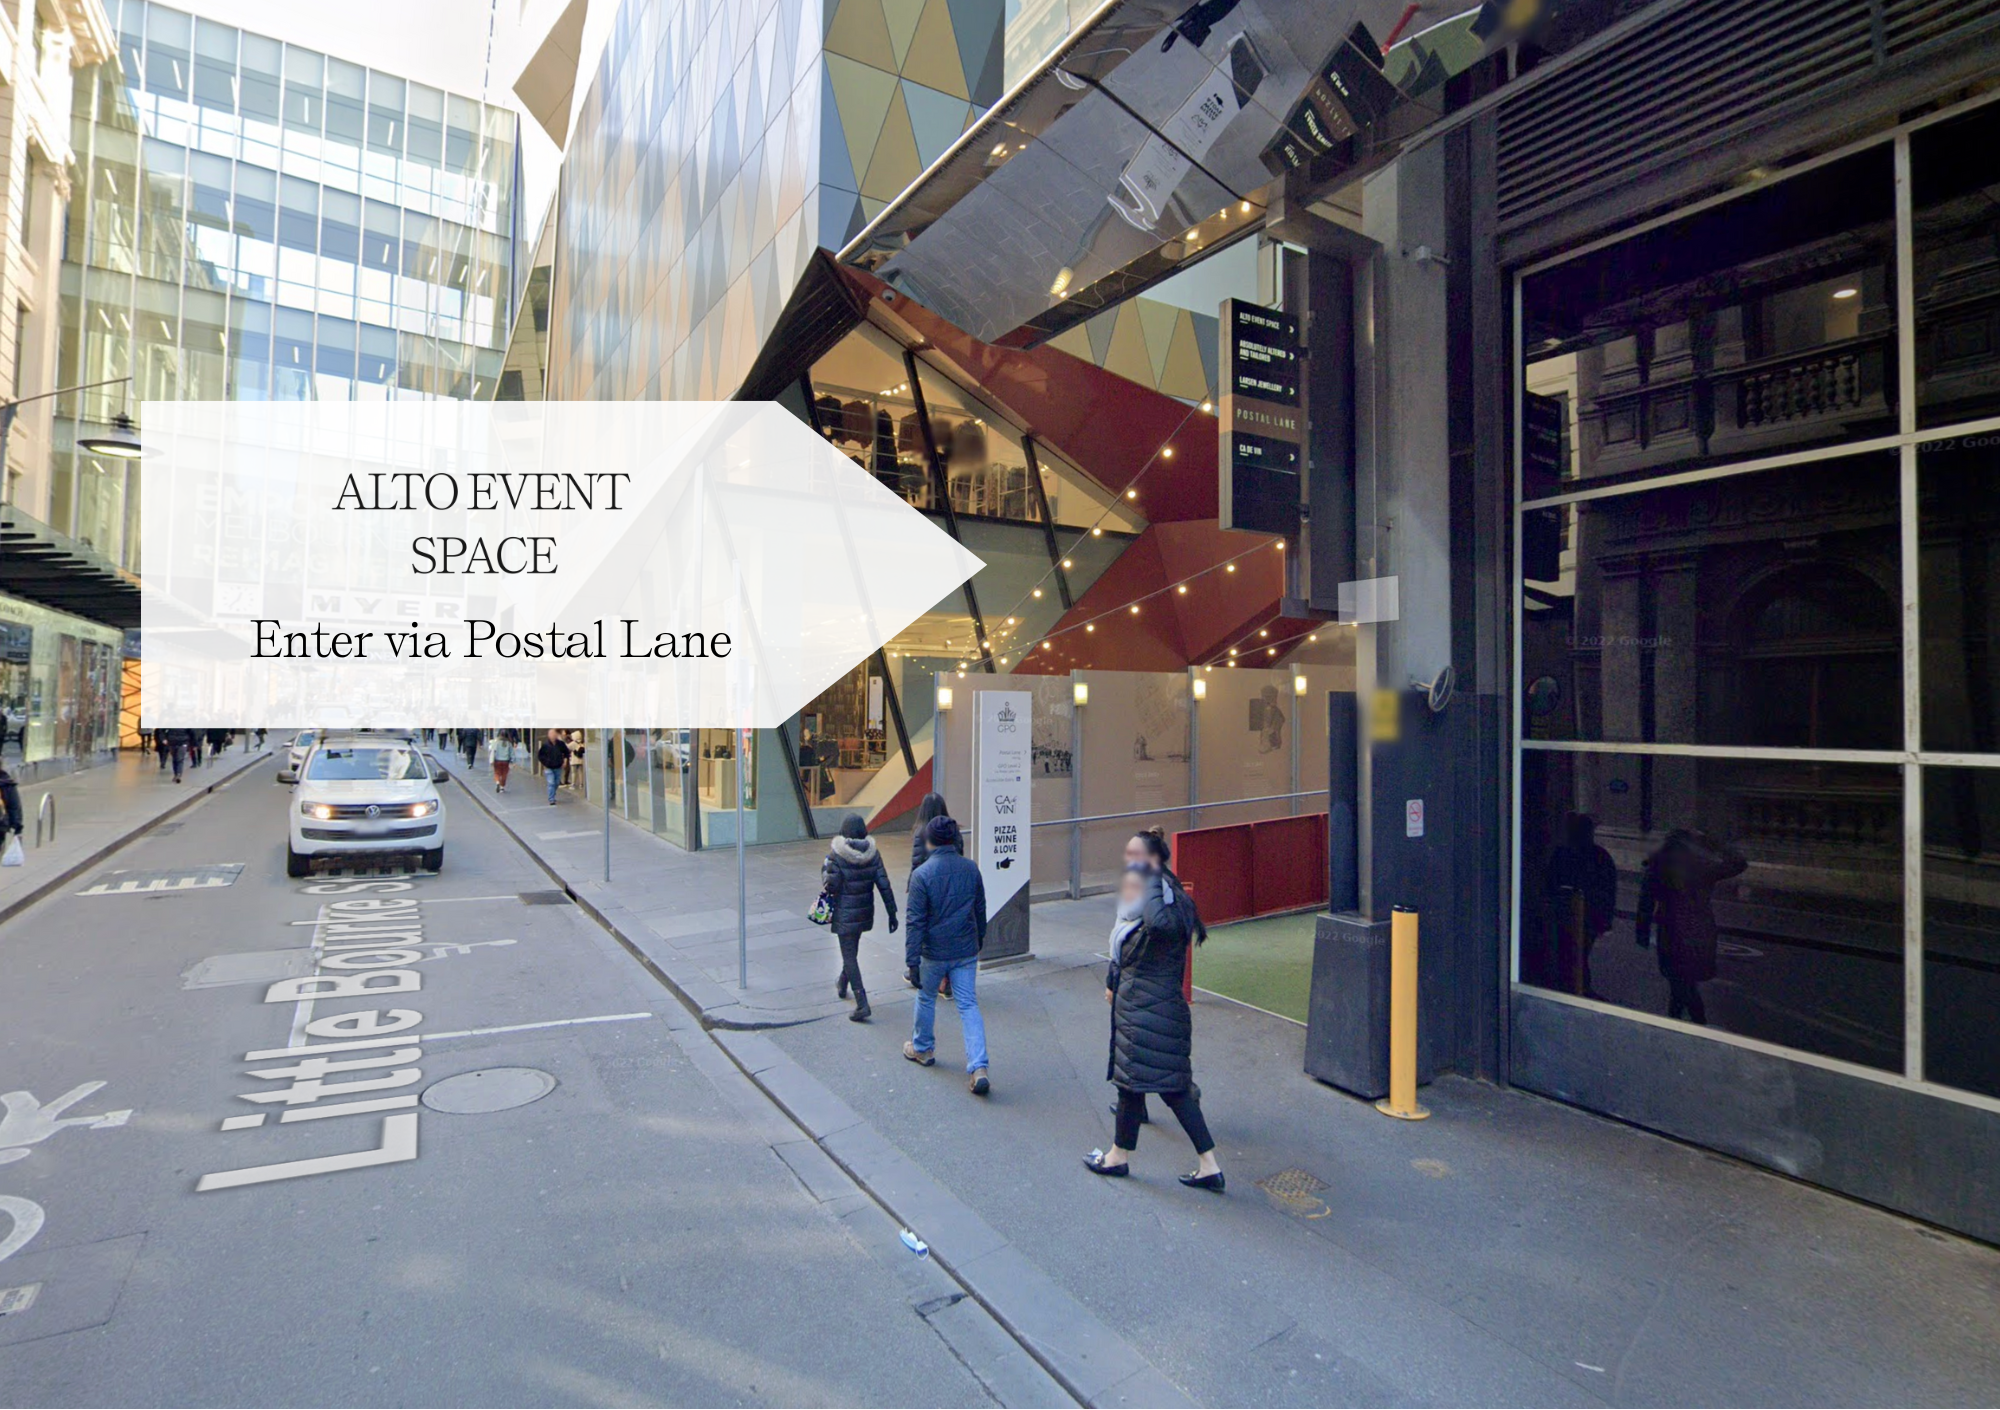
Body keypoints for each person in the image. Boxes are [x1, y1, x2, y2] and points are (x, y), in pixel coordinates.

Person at [1084, 845, 1223, 1189]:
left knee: (1163, 1088)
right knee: (1138, 1087)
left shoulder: (1158, 911)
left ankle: (1203, 1164)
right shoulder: (1163, 905)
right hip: (1153, 1014)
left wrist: (1148, 882)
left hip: (1147, 1014)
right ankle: (1125, 1155)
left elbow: (1151, 932)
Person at [902, 814, 990, 1094]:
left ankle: (922, 1048)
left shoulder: (921, 875)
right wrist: (979, 939)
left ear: (929, 841)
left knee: (926, 997)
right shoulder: (970, 868)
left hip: (934, 951)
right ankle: (978, 1066)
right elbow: (980, 909)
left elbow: (915, 922)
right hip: (965, 948)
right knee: (967, 1004)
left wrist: (912, 960)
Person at [1636, 828, 1747, 1026]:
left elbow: (1645, 902)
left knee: (1679, 981)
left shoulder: (1658, 865)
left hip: (1671, 931)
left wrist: (1642, 933)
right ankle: (1687, 1022)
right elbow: (1739, 864)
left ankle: (1689, 1022)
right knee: (1685, 981)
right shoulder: (1700, 865)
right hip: (1699, 929)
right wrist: (1716, 843)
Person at [821, 813, 897, 1023]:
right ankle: (842, 983)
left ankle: (862, 1003)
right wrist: (892, 912)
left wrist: (825, 870)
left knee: (848, 955)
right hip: (863, 912)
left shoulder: (836, 855)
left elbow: (831, 885)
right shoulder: (873, 853)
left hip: (845, 913)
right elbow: (884, 883)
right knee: (851, 951)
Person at [1543, 812, 1618, 997]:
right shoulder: (1598, 856)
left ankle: (1576, 989)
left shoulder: (1564, 853)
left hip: (1573, 914)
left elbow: (1551, 884)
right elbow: (1607, 891)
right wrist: (1605, 920)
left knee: (1572, 954)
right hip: (1583, 915)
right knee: (1576, 954)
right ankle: (1578, 988)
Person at [908, 793, 952, 995]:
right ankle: (948, 978)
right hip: (948, 886)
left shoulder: (920, 831)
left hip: (926, 886)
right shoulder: (952, 830)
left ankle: (929, 973)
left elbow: (916, 863)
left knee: (924, 929)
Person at [536, 729, 570, 805]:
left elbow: (566, 752)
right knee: (551, 782)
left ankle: (552, 793)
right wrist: (545, 763)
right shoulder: (545, 745)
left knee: (557, 782)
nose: (552, 736)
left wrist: (565, 760)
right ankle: (551, 798)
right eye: (551, 734)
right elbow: (540, 756)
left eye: (554, 734)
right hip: (549, 767)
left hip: (558, 766)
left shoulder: (560, 744)